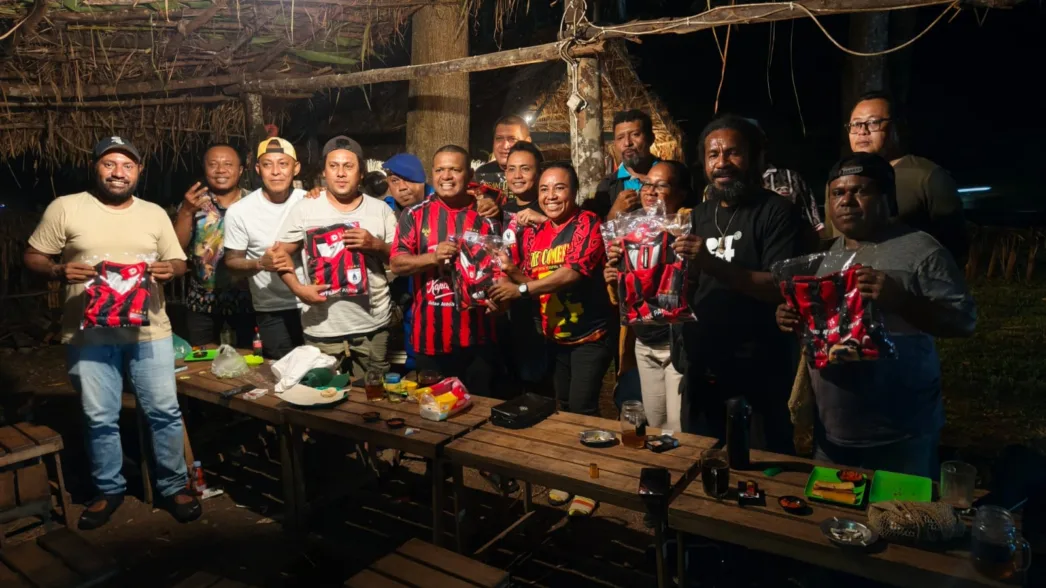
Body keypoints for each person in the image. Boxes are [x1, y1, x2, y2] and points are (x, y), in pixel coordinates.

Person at [24, 137, 201, 529]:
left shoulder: (154, 213)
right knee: (99, 416)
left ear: (138, 171)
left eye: (127, 165)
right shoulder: (66, 207)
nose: (118, 172)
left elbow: (178, 260)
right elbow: (34, 255)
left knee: (164, 412)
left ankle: (173, 485)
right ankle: (109, 488)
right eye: (110, 164)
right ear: (96, 167)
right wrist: (57, 270)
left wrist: (170, 269)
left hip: (150, 333)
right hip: (89, 336)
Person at [776, 153, 976, 477]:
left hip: (901, 437)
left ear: (887, 197)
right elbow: (828, 329)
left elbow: (964, 322)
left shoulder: (921, 250)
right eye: (837, 193)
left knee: (899, 512)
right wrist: (795, 317)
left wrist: (901, 300)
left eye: (860, 191)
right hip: (831, 434)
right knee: (833, 510)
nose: (846, 201)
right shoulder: (829, 255)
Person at [672, 116, 808, 455]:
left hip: (758, 368)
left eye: (733, 153)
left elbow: (781, 285)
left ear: (756, 157)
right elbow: (688, 281)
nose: (722, 163)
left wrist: (712, 263)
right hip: (703, 364)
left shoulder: (777, 212)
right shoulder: (698, 215)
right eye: (713, 155)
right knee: (701, 455)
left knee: (761, 462)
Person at [490, 163, 613, 416]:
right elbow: (534, 282)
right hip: (555, 338)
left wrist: (520, 290)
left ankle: (591, 444)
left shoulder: (587, 222)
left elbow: (571, 273)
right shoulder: (535, 234)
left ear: (574, 191)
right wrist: (510, 269)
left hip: (590, 336)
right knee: (564, 405)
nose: (551, 196)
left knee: (581, 408)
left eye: (559, 188)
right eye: (544, 189)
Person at [271, 136, 397, 376]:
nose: (340, 173)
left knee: (375, 396)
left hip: (373, 327)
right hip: (321, 329)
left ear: (361, 173)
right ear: (324, 172)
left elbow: (400, 262)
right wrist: (298, 289)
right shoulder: (305, 208)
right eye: (333, 166)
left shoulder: (380, 210)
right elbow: (279, 254)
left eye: (348, 166)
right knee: (323, 396)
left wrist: (376, 245)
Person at [389, 145, 499, 397]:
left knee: (479, 411)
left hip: (478, 338)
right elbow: (396, 263)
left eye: (454, 170)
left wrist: (500, 299)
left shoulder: (488, 215)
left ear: (469, 174)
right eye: (440, 170)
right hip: (431, 340)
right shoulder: (414, 214)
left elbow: (500, 269)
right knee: (433, 411)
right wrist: (433, 257)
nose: (446, 176)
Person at [604, 161, 693, 432]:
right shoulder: (632, 229)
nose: (651, 191)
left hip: (677, 343)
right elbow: (621, 296)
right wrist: (613, 275)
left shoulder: (690, 227)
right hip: (643, 343)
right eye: (646, 184)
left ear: (681, 193)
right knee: (656, 424)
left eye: (661, 185)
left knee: (679, 429)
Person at [847, 91, 969, 266]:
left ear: (896, 127)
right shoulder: (841, 180)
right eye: (856, 124)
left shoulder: (927, 177)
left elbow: (954, 247)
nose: (862, 131)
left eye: (873, 123)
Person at [223, 137, 308, 359]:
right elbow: (231, 262)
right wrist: (260, 263)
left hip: (313, 303)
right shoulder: (240, 211)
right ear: (258, 169)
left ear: (296, 168)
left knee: (321, 369)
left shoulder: (310, 201)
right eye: (268, 164)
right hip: (271, 309)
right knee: (281, 371)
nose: (276, 171)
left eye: (283, 164)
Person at [173, 144, 254, 347]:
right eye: (213, 164)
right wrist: (186, 212)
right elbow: (176, 248)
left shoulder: (254, 202)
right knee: (202, 361)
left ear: (240, 170)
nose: (220, 170)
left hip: (249, 301)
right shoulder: (193, 203)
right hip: (201, 302)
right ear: (205, 168)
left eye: (228, 164)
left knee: (250, 358)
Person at [585, 109, 660, 221]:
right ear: (615, 143)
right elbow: (596, 229)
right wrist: (614, 214)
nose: (627, 143)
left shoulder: (674, 176)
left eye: (635, 134)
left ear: (651, 138)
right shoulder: (607, 186)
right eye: (620, 138)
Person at [474, 114, 532, 189]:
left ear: (527, 142)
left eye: (512, 139)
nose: (504, 146)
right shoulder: (481, 173)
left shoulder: (540, 174)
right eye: (499, 138)